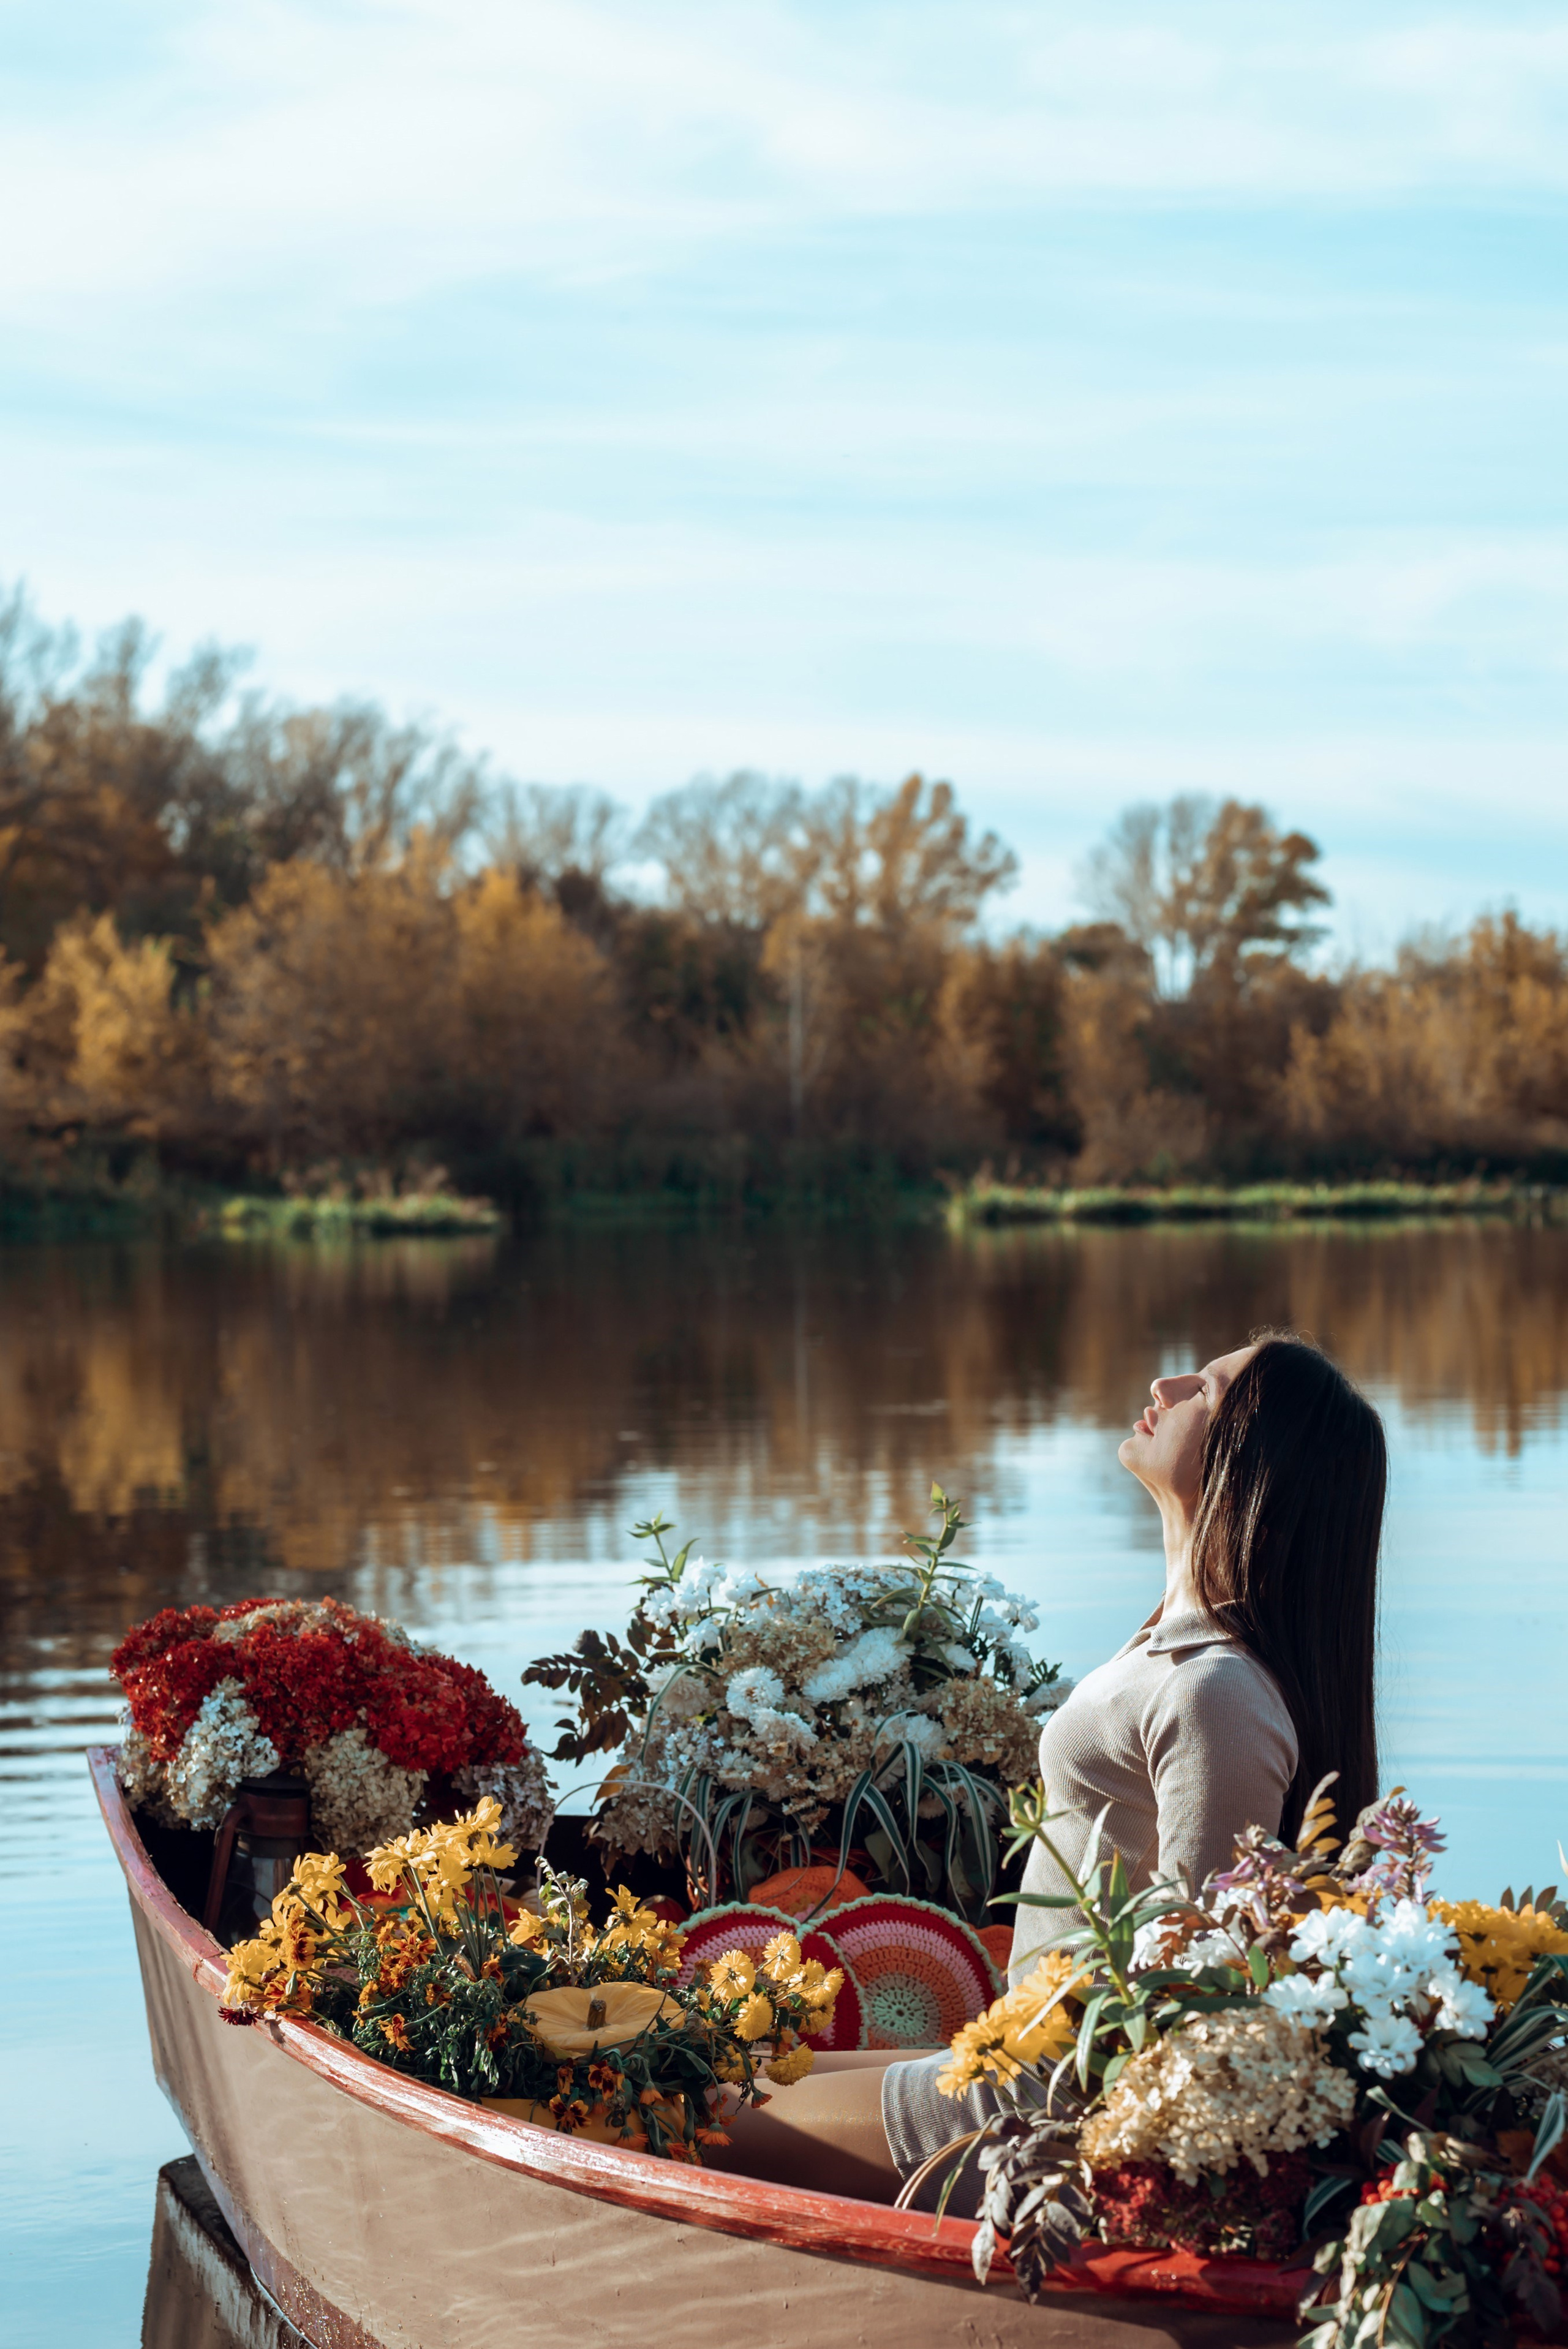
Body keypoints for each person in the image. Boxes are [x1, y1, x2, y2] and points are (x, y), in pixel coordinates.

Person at [703, 1330, 1388, 2206]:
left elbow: (1192, 1997)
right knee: (723, 2067)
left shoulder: (1216, 1691)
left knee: (695, 2122)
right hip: (1008, 2051)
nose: (1166, 1382)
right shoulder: (1173, 1650)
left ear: (1254, 1462)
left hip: (1042, 2107)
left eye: (1207, 1391)